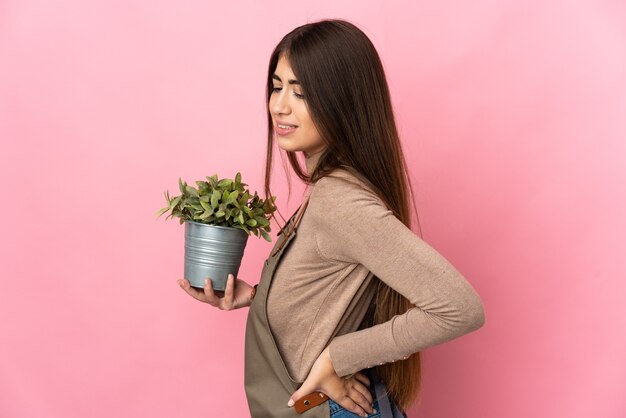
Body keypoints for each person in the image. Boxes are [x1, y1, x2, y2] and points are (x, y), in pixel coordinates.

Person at [177, 18, 486, 418]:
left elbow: (461, 308)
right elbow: (331, 297)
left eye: (301, 92)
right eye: (276, 86)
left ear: (343, 101)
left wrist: (337, 356)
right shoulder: (329, 190)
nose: (280, 106)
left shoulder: (341, 200)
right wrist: (257, 298)